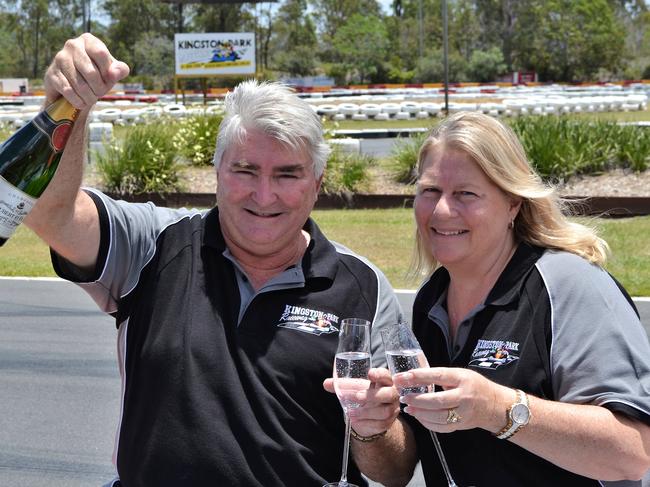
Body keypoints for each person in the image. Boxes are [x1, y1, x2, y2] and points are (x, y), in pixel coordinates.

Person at [25, 34, 403, 487]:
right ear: (218, 171)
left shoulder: (363, 286)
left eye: (287, 174)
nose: (264, 196)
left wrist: (371, 431)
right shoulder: (154, 244)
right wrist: (68, 105)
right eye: (245, 171)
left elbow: (395, 473)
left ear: (316, 183)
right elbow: (52, 215)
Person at [325, 111, 650, 486]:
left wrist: (498, 409)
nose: (442, 210)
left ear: (513, 202)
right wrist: (374, 426)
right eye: (430, 191)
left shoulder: (569, 284)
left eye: (466, 193)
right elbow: (412, 463)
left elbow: (631, 453)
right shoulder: (432, 300)